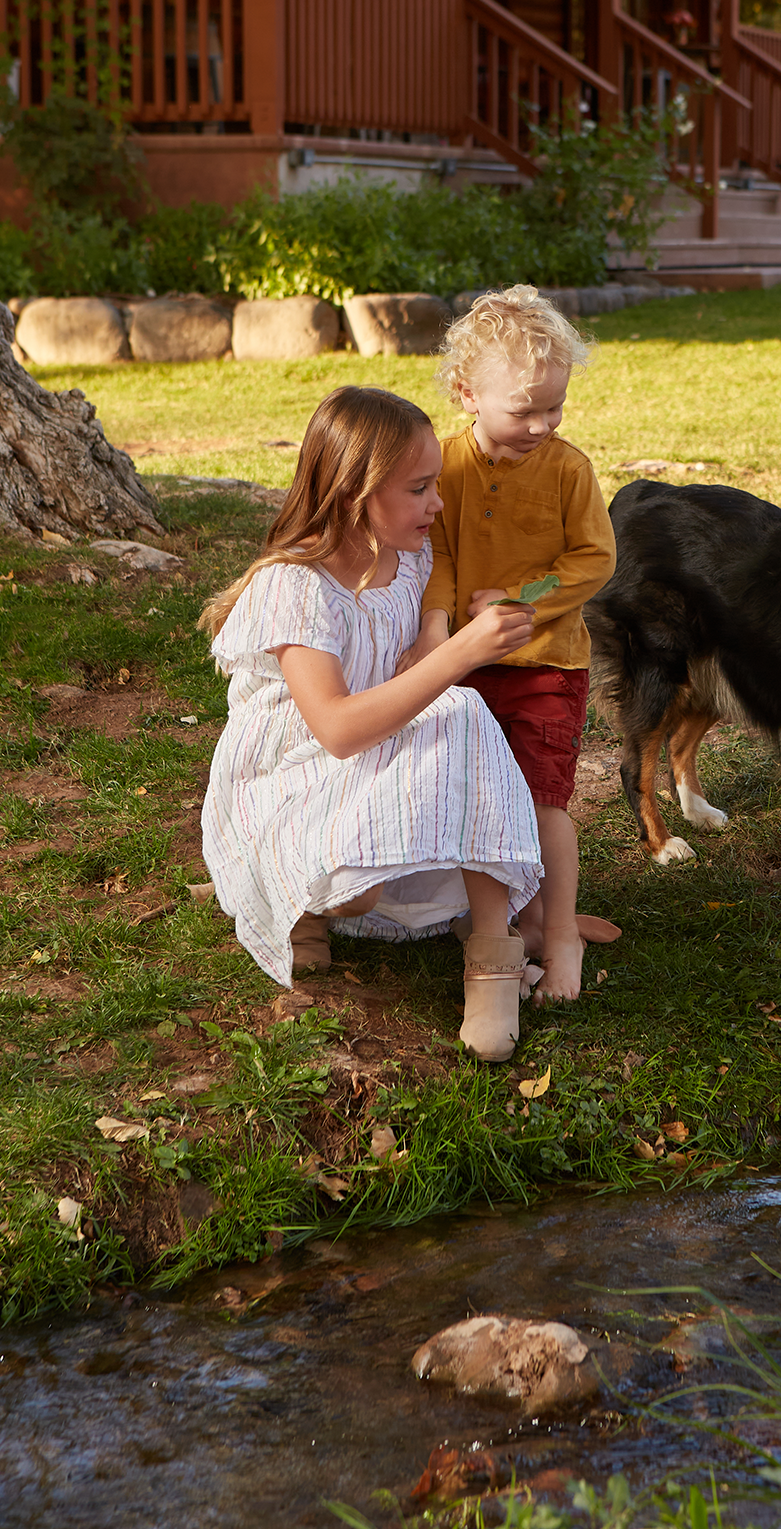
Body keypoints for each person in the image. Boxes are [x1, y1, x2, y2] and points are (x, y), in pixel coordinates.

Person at [198, 385, 543, 1063]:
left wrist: (463, 622)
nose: (436, 504)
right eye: (419, 489)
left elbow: (418, 662)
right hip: (294, 785)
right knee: (452, 703)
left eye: (435, 484)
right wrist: (459, 656)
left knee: (463, 710)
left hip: (373, 766)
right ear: (358, 492)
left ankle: (492, 959)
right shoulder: (294, 584)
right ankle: (307, 900)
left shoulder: (410, 562)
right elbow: (337, 730)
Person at [407, 286, 618, 1004]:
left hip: (545, 666)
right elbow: (438, 557)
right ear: (468, 393)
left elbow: (595, 559)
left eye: (554, 407)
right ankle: (515, 923)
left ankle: (560, 934)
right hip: (466, 668)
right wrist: (439, 630)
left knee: (542, 800)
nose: (542, 423)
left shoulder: (568, 469)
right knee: (477, 800)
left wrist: (524, 601)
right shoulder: (445, 465)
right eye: (524, 409)